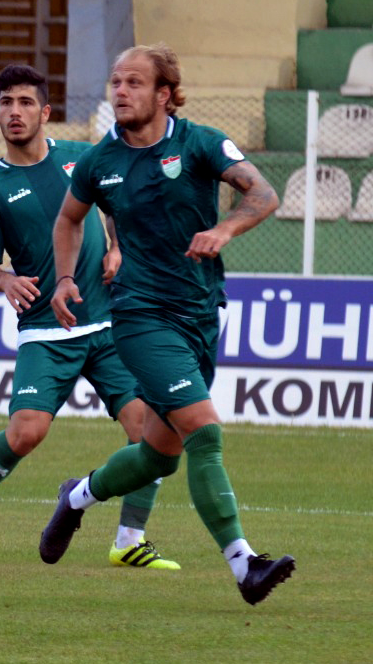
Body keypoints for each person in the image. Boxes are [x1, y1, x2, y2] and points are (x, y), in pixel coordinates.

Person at [39, 45, 294, 605]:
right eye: (115, 81)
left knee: (160, 455)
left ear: (163, 93)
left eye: (134, 82)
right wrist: (63, 281)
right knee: (205, 431)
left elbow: (264, 192)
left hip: (201, 312)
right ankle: (244, 566)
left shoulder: (199, 143)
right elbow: (68, 220)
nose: (120, 91)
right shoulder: (99, 162)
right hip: (138, 315)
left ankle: (76, 497)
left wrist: (224, 231)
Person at [0, 64, 178, 570]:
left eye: (25, 102)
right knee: (25, 434)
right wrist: (5, 281)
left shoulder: (80, 158)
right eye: (6, 103)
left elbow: (114, 206)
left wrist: (115, 246)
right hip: (46, 329)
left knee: (152, 431)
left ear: (44, 112)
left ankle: (129, 539)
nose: (15, 112)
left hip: (108, 322)